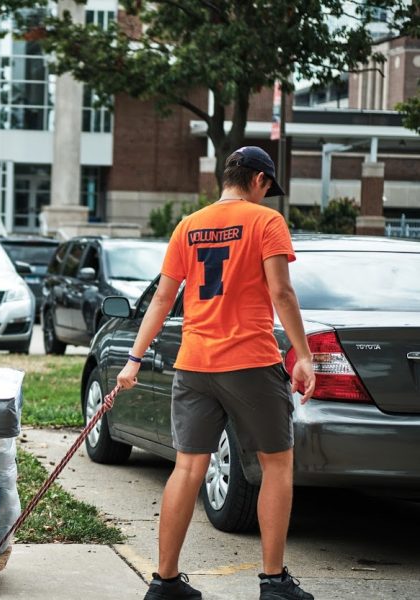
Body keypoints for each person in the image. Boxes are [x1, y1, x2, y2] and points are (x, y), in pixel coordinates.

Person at [116, 147, 317, 600]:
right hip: (250, 361)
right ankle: (274, 583)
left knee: (187, 468)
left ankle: (164, 583)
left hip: (194, 364)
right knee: (277, 464)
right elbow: (281, 292)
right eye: (268, 189)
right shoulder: (266, 222)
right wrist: (303, 356)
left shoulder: (189, 226)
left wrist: (133, 358)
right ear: (260, 181)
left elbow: (163, 299)